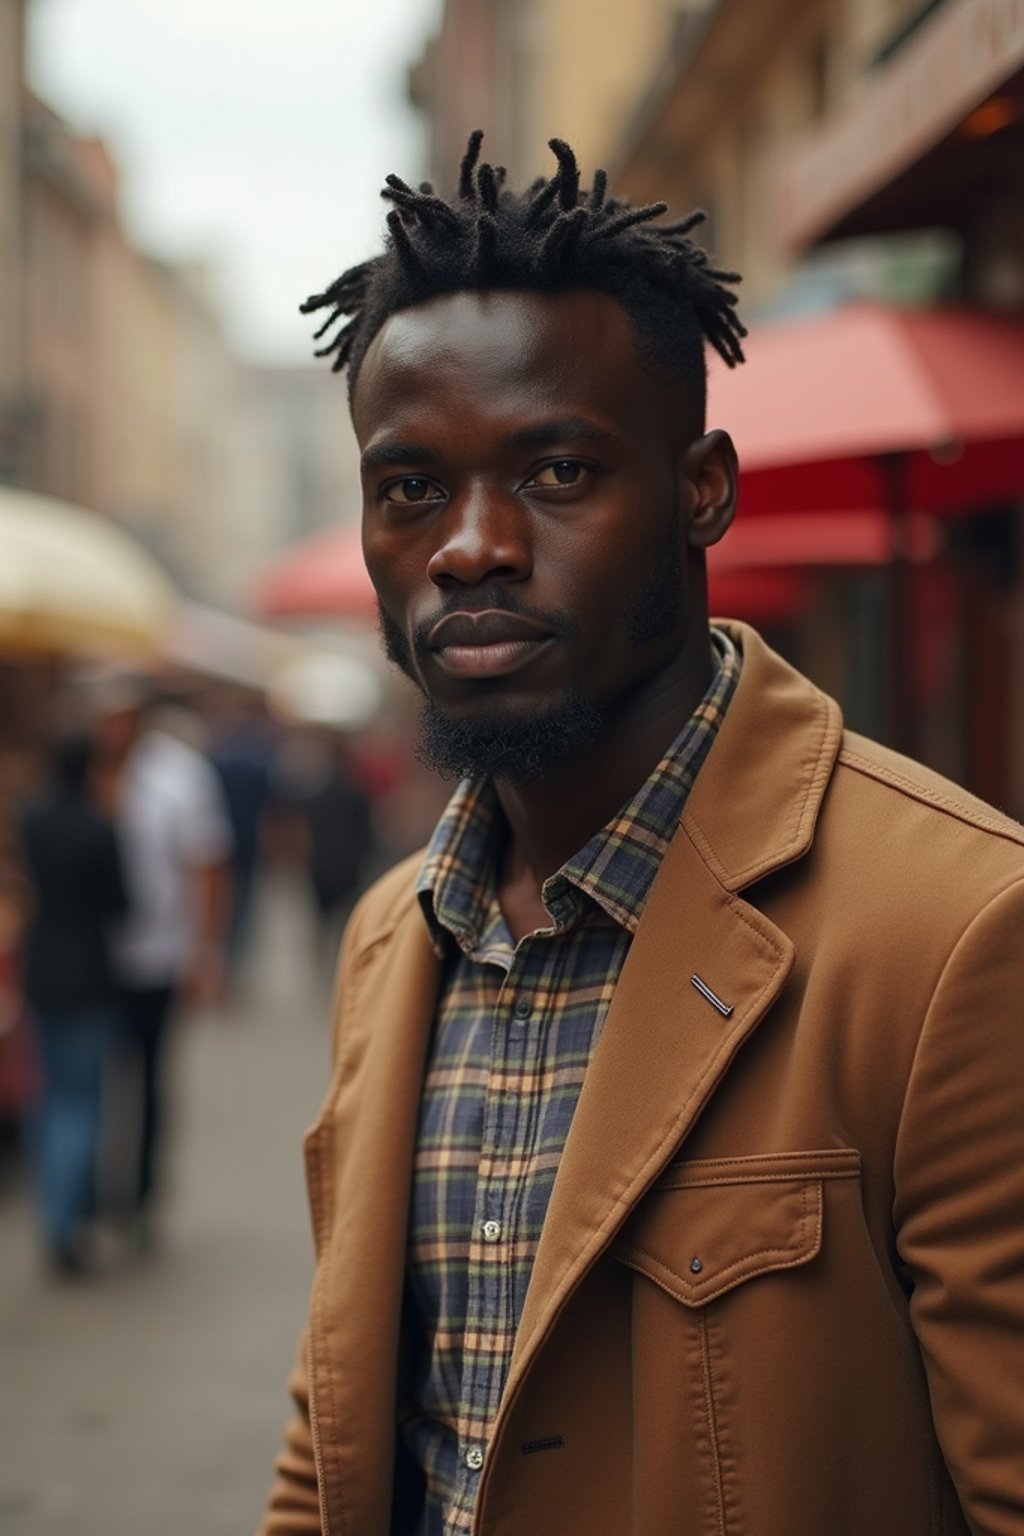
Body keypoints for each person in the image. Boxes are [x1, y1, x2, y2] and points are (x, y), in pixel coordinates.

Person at [260, 135, 1024, 1536]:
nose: (471, 546)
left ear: (702, 491)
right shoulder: (396, 935)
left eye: (556, 471)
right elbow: (346, 1441)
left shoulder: (959, 932)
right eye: (411, 487)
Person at [95, 684, 233, 1243]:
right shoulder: (81, 771)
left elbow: (208, 863)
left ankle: (143, 1195)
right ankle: (94, 1191)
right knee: (94, 1079)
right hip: (91, 957)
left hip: (158, 952)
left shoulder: (180, 775)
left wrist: (205, 951)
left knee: (150, 1077)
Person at [18, 729, 127, 1273]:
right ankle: (68, 1222)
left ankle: (54, 1214)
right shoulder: (98, 828)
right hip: (89, 975)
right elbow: (120, 903)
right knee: (81, 1104)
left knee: (50, 1099)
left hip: (41, 971)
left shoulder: (30, 820)